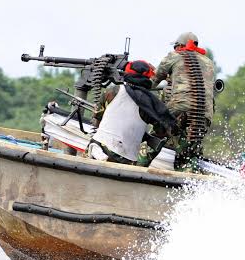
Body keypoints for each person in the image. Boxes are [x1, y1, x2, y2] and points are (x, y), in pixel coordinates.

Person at [150, 32, 216, 172]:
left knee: (153, 138)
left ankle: (137, 167)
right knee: (189, 151)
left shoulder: (175, 56)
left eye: (175, 47)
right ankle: (186, 179)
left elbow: (151, 82)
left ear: (179, 46)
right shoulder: (208, 62)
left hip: (179, 108)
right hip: (204, 114)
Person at [87, 60, 176, 165]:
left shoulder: (112, 91)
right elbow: (161, 132)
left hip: (98, 148)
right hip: (127, 160)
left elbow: (97, 119)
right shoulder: (152, 103)